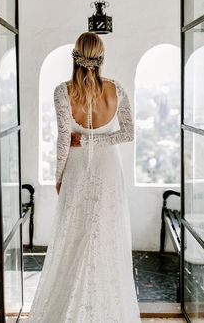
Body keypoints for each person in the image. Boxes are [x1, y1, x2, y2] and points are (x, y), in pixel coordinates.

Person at [27, 32, 141, 322]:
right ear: (102, 57)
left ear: (75, 56)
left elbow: (64, 138)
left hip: (77, 169)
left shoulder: (61, 91)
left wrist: (59, 175)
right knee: (104, 235)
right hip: (108, 169)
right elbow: (128, 133)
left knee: (75, 236)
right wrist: (97, 142)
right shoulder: (118, 89)